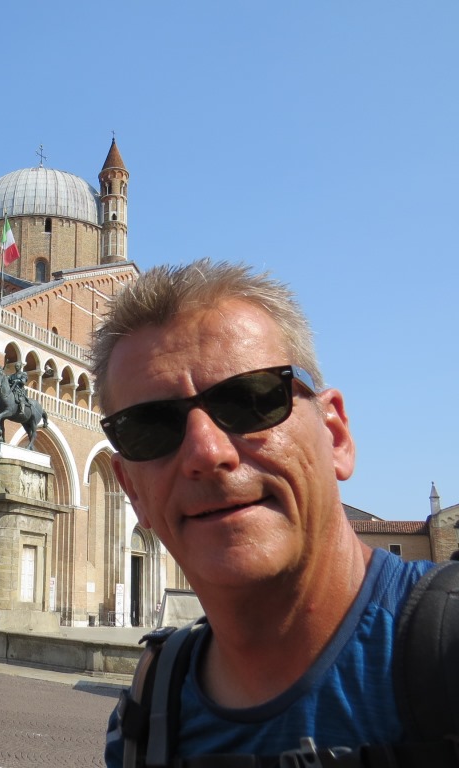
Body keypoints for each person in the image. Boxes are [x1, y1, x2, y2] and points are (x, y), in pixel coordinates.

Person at [92, 259, 448, 765]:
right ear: (131, 490)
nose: (206, 452)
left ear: (336, 436)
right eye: (149, 427)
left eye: (251, 400)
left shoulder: (447, 648)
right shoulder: (143, 722)